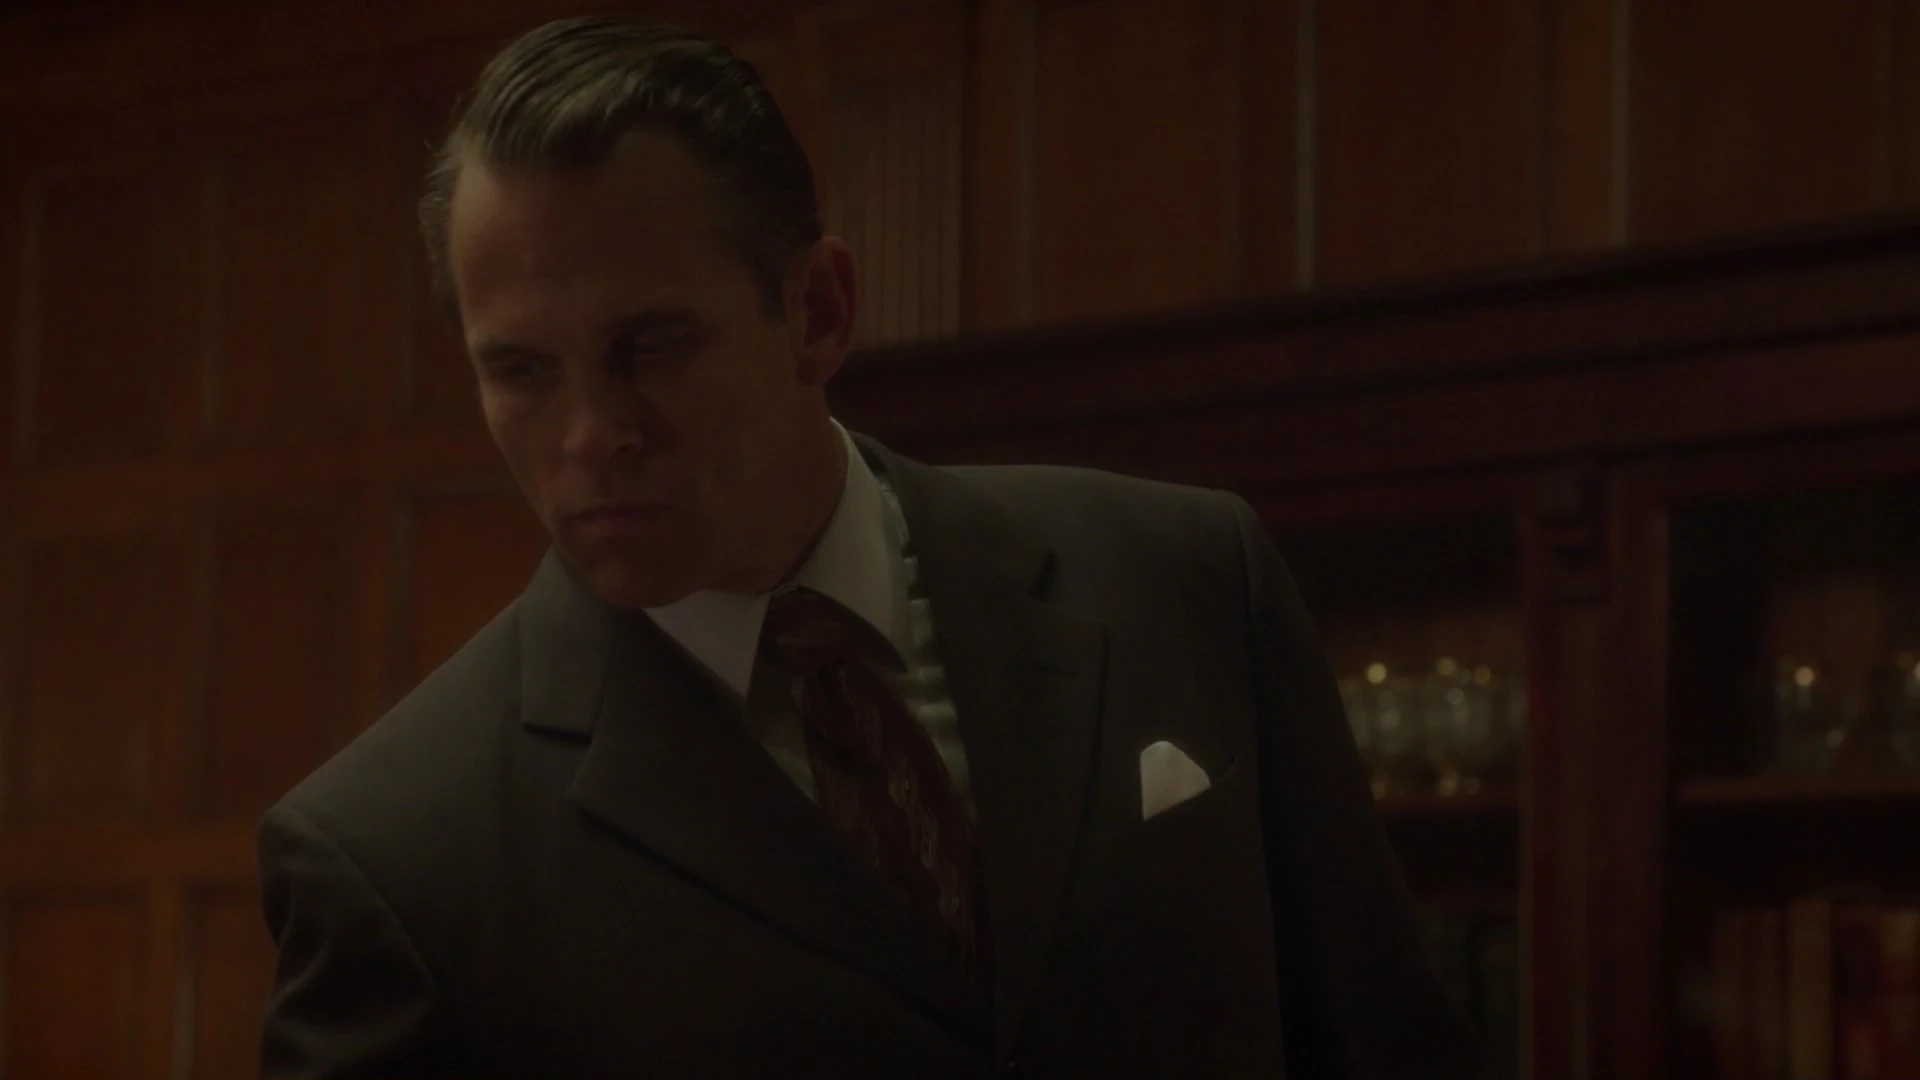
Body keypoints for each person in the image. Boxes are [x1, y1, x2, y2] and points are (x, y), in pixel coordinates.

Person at [257, 16, 1477, 1079]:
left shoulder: (1184, 575)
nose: (589, 437)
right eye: (523, 371)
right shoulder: (399, 856)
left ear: (818, 312)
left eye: (650, 346)